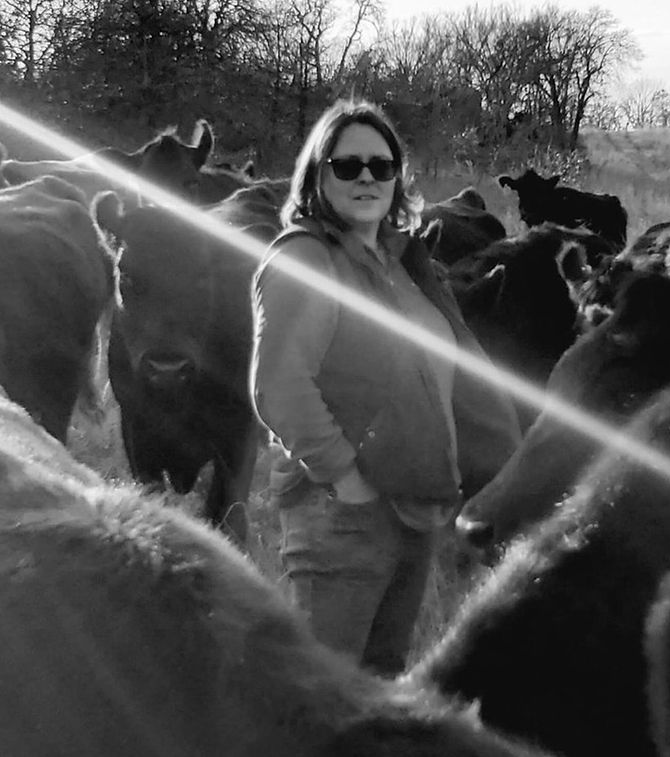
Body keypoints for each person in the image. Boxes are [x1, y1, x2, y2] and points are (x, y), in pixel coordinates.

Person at [249, 99, 522, 676]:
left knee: (379, 686)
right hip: (344, 515)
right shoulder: (309, 257)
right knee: (322, 694)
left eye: (382, 164)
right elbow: (278, 383)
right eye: (346, 166)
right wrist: (345, 479)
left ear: (399, 177)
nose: (367, 177)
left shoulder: (402, 263)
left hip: (414, 509)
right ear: (317, 176)